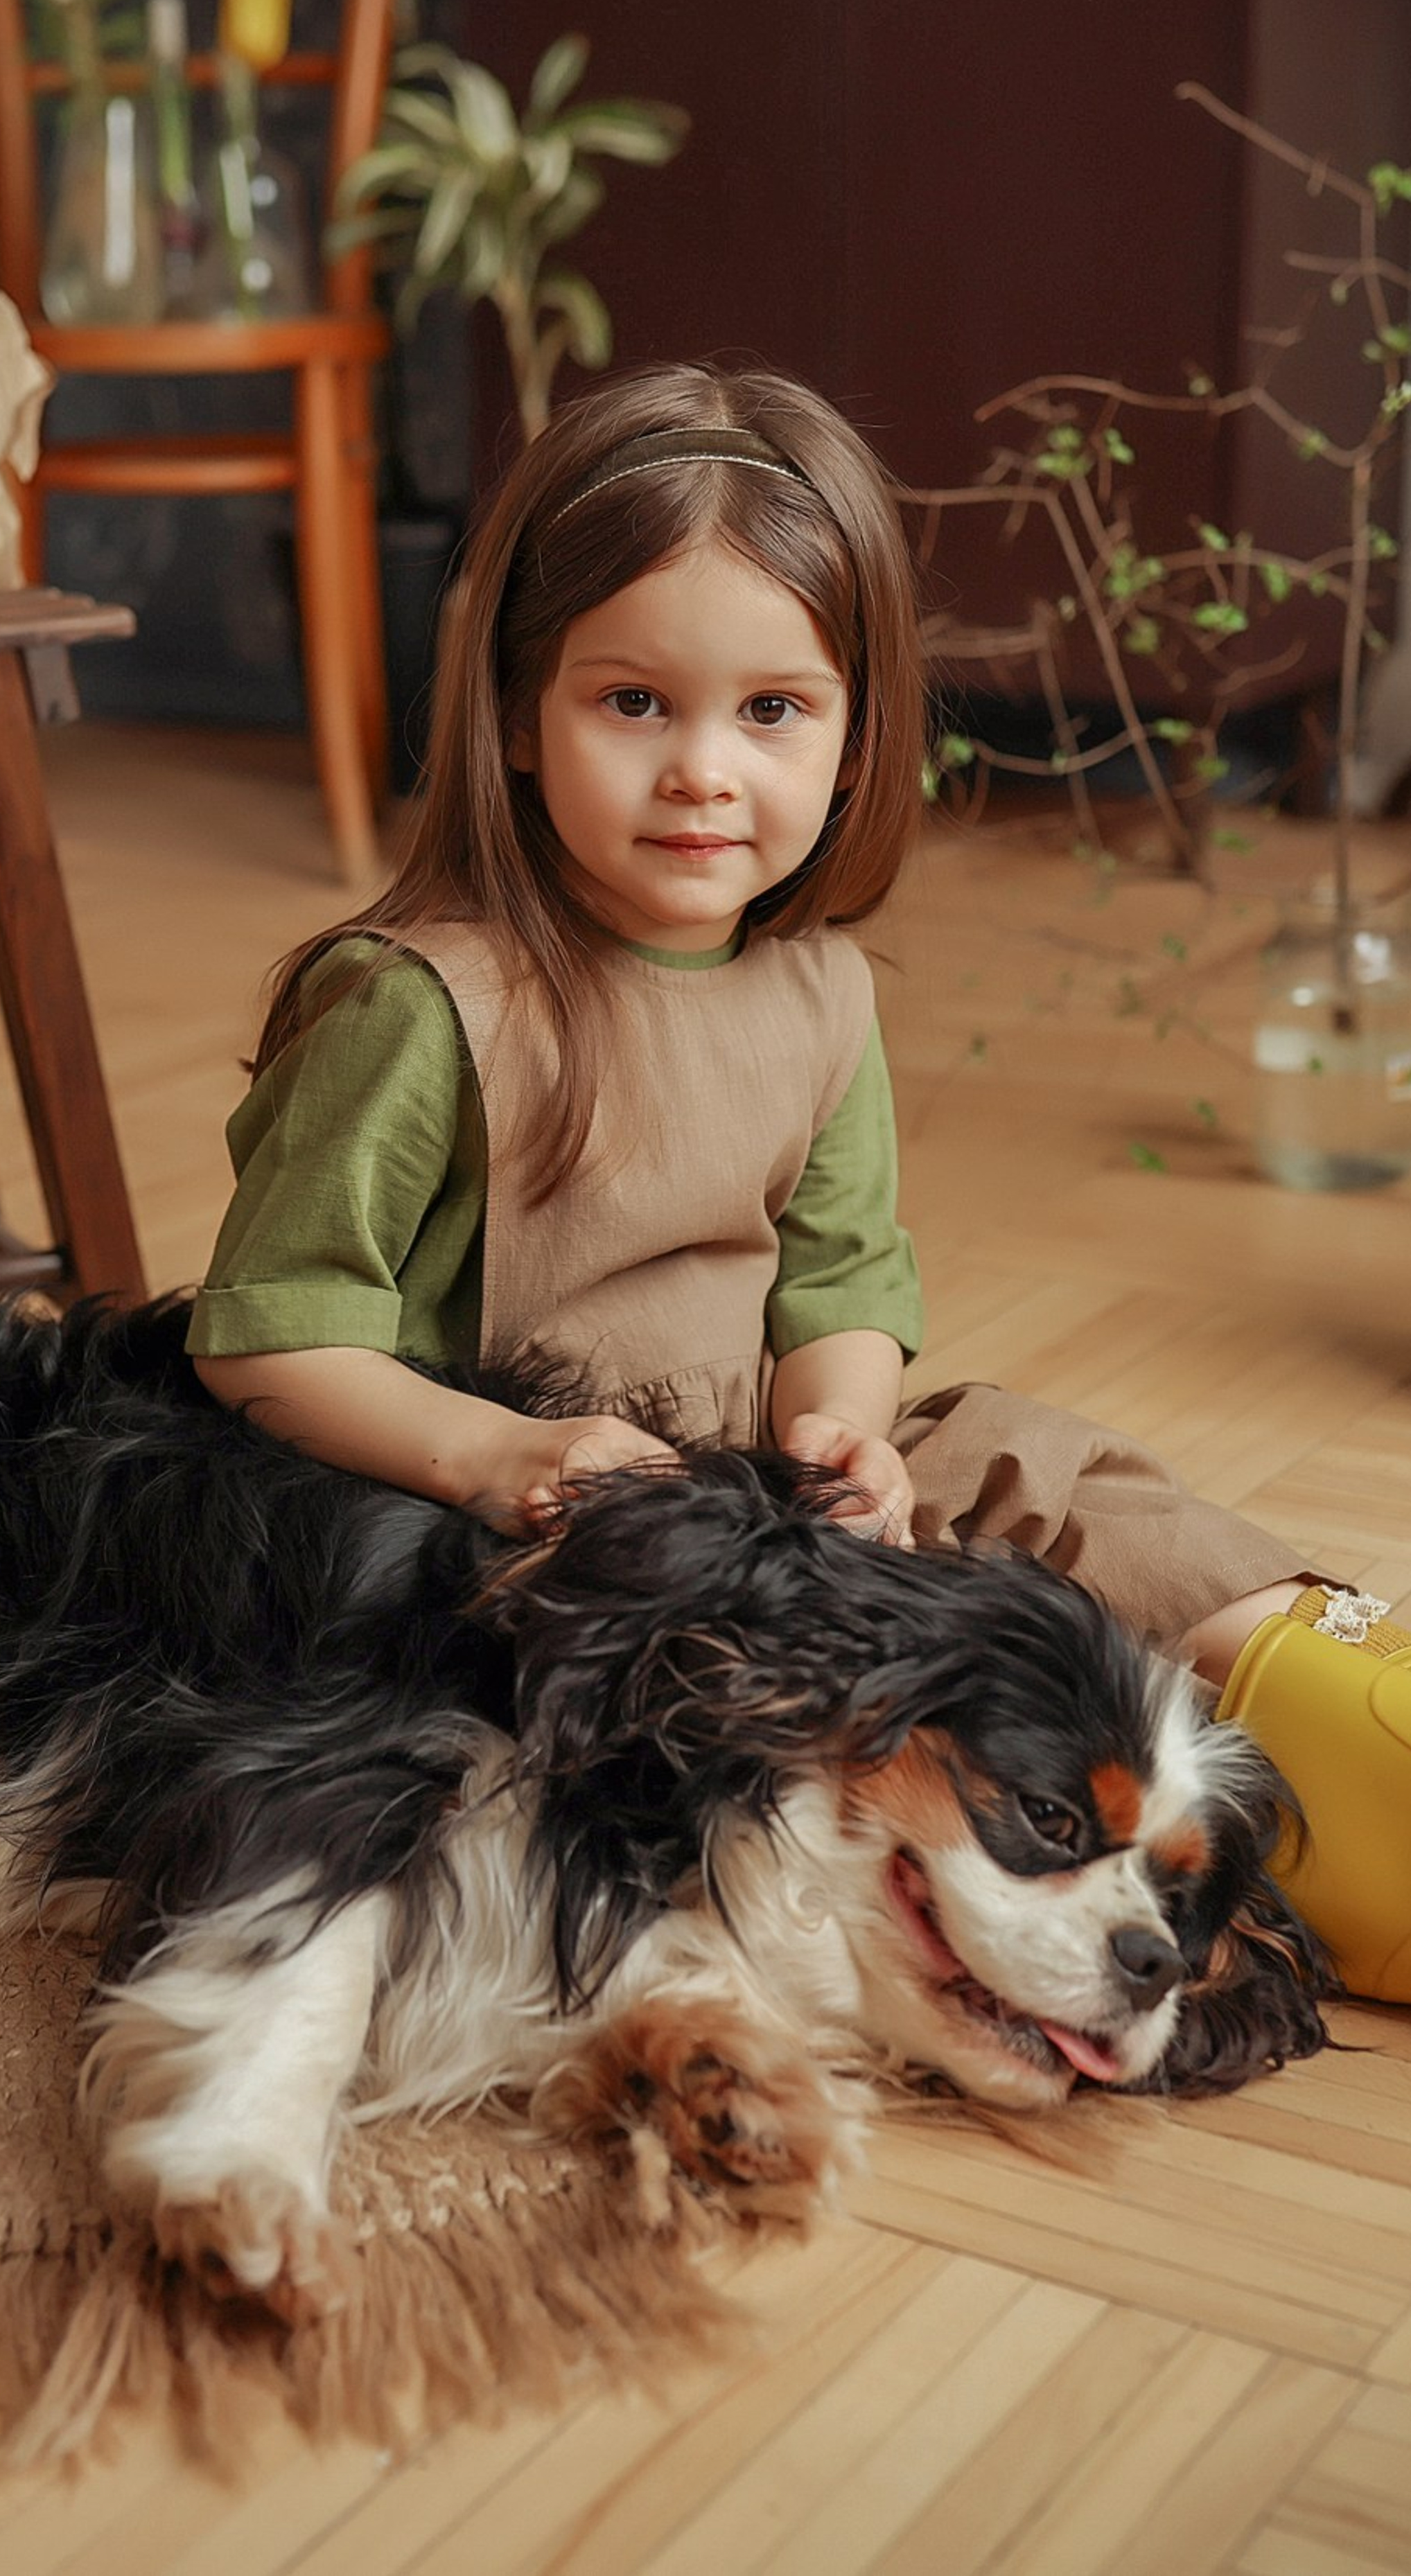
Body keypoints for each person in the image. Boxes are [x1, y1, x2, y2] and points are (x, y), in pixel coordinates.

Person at [186, 361, 1407, 1991]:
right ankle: (936, 1835)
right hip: (498, 1505)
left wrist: (841, 1422)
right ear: (513, 720)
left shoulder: (819, 991)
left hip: (745, 1473)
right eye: (635, 705)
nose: (704, 770)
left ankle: (1291, 1705)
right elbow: (263, 1335)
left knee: (1027, 1463)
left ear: (850, 740)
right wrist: (497, 1452)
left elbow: (836, 1280)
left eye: (769, 711)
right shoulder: (426, 1007)